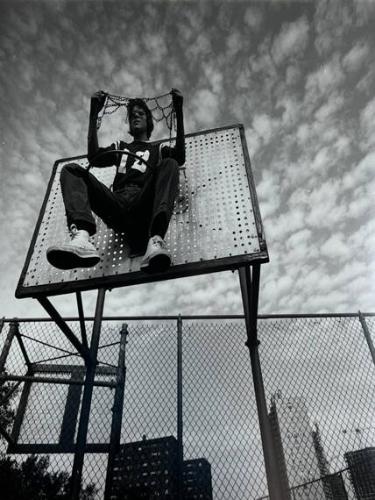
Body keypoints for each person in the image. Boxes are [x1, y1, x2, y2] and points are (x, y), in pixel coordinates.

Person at [46, 88, 185, 273]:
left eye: (140, 114)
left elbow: (180, 157)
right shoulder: (121, 146)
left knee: (170, 163)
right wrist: (94, 113)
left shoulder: (157, 149)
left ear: (149, 121)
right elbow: (94, 157)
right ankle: (82, 238)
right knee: (71, 170)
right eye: (132, 114)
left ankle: (156, 240)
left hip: (142, 203)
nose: (135, 116)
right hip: (116, 204)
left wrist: (179, 111)